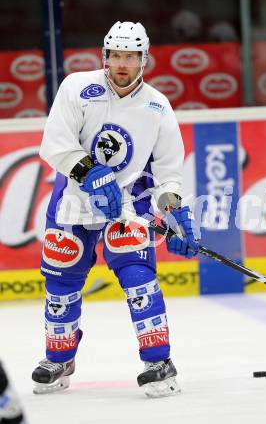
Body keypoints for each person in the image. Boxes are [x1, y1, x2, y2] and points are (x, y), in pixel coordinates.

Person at [32, 21, 200, 398]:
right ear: (104, 56)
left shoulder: (157, 105)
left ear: (144, 60)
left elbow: (169, 173)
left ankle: (158, 362)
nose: (122, 63)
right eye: (116, 55)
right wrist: (92, 173)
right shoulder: (78, 87)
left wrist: (175, 213)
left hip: (129, 203)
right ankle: (59, 360)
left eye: (131, 56)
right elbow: (54, 144)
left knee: (138, 276)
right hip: (73, 200)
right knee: (61, 281)